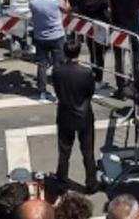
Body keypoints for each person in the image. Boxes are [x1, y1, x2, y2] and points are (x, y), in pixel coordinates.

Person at [52, 37, 98, 192]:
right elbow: (90, 92)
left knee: (64, 150)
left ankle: (62, 179)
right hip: (83, 114)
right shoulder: (86, 72)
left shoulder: (57, 70)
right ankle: (91, 183)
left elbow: (57, 89)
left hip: (65, 113)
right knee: (87, 151)